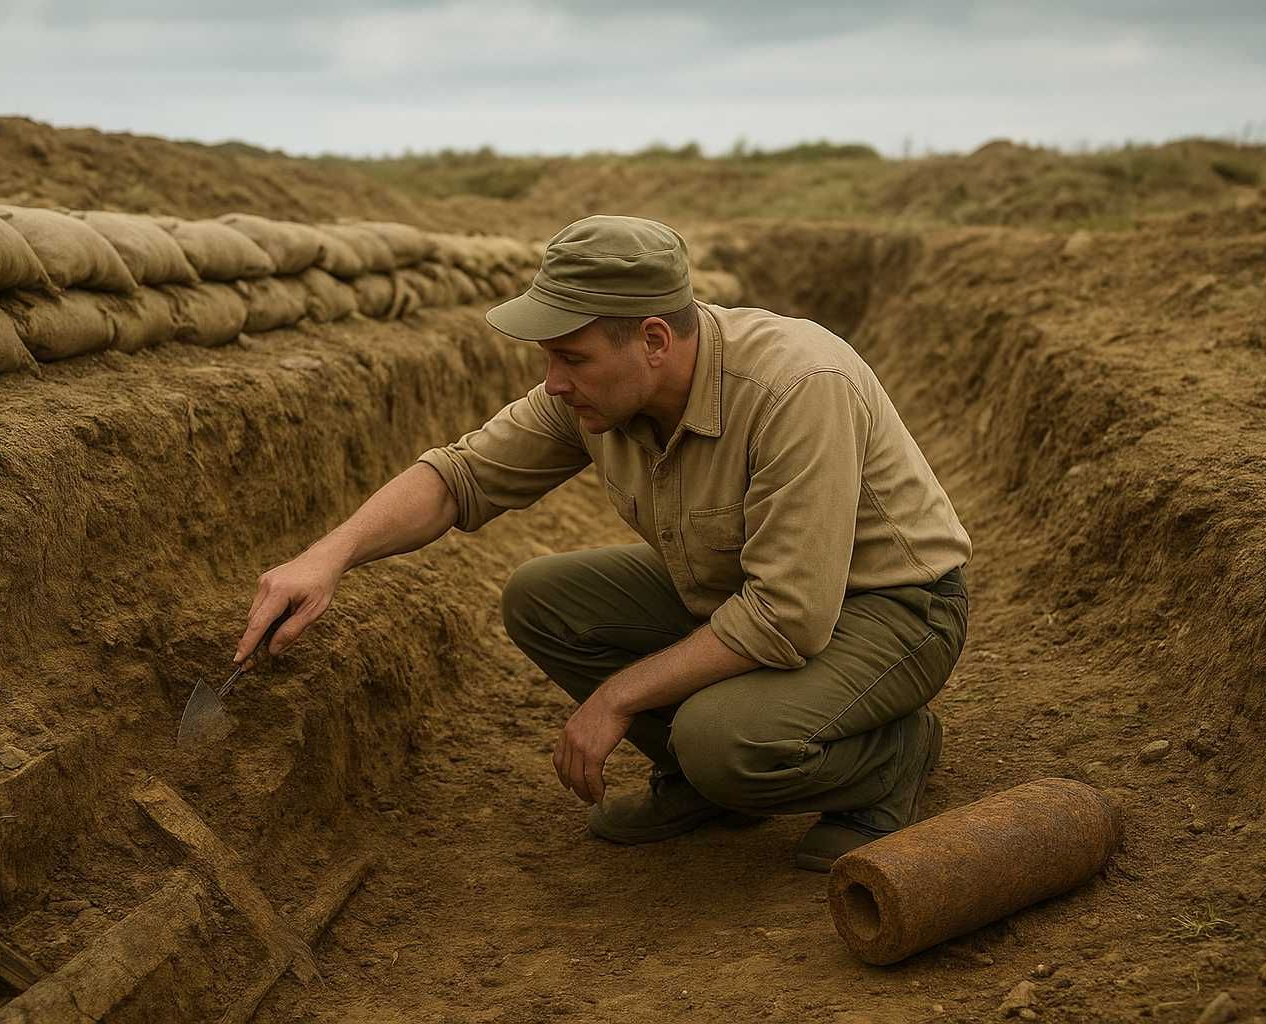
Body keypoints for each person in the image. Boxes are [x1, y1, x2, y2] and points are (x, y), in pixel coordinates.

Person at [235, 215, 970, 871]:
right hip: (741, 593)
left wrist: (617, 697)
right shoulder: (596, 392)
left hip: (891, 608)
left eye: (571, 358)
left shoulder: (798, 385)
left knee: (724, 741)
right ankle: (705, 789)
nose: (553, 383)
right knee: (545, 600)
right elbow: (461, 477)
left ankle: (891, 759)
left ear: (652, 339)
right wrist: (326, 556)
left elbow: (788, 614)